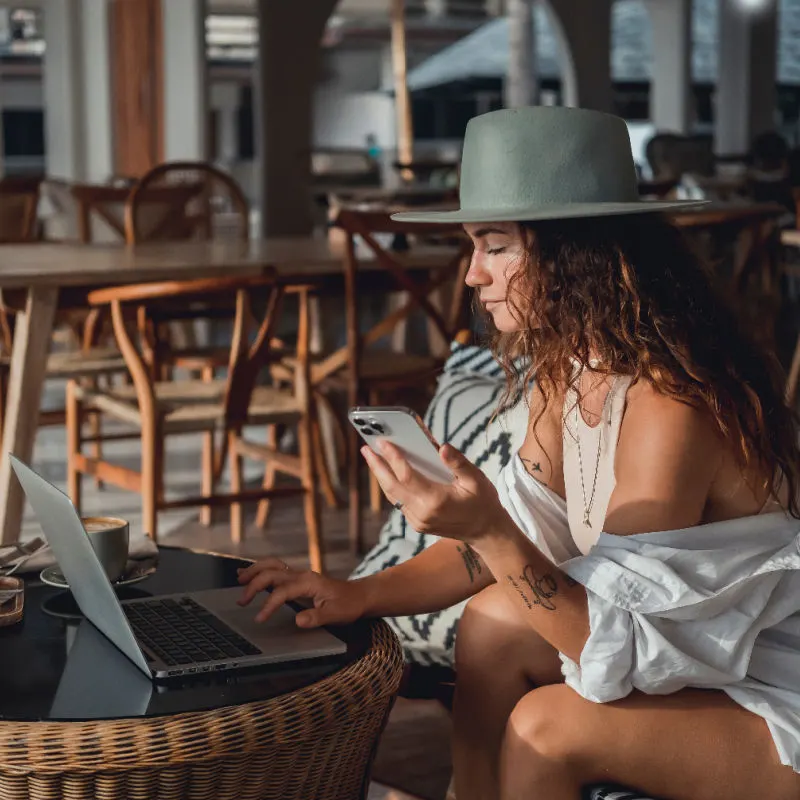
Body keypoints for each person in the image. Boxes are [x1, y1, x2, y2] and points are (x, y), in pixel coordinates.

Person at [237, 107, 800, 800]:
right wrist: (357, 594)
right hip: (693, 658)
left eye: (495, 245)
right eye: (473, 245)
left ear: (576, 254)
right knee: (493, 623)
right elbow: (518, 543)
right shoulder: (570, 371)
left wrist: (487, 527)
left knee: (545, 727)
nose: (472, 274)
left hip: (771, 692)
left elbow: (620, 645)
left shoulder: (673, 404)